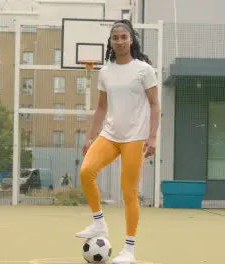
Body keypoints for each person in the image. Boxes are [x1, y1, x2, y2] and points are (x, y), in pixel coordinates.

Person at [75, 19, 160, 264]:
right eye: (115, 38)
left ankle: (129, 251)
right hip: (110, 135)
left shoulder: (144, 69)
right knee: (86, 171)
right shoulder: (105, 71)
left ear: (131, 39)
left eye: (124, 37)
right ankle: (99, 223)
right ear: (110, 42)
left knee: (128, 192)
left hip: (135, 137)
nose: (120, 41)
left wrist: (153, 135)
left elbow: (154, 104)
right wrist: (91, 135)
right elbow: (101, 107)